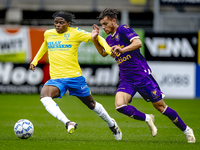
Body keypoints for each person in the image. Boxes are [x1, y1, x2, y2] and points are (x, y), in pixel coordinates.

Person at [91, 8, 196, 143]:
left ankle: (186, 130)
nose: (103, 27)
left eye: (105, 24)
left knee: (160, 107)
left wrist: (122, 49)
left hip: (141, 76)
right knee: (120, 106)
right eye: (102, 24)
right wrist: (95, 39)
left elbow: (138, 43)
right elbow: (104, 53)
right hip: (126, 78)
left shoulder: (123, 29)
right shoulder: (109, 40)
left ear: (113, 21)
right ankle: (147, 118)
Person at [29, 11, 122, 140]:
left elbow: (97, 37)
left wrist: (107, 49)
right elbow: (45, 45)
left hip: (74, 78)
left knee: (91, 105)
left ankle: (111, 124)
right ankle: (68, 122)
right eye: (56, 22)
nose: (58, 25)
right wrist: (35, 60)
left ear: (68, 24)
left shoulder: (75, 33)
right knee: (45, 96)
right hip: (57, 79)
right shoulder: (48, 34)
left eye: (61, 22)